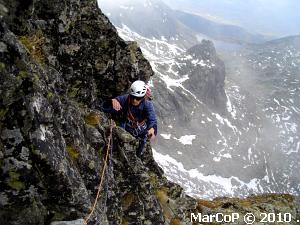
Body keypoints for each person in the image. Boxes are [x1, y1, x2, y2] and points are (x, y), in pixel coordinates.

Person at [101, 80, 157, 157]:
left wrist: (152, 129)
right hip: (125, 128)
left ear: (143, 97)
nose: (134, 100)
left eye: (138, 98)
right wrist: (111, 101)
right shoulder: (126, 99)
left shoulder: (147, 105)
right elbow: (105, 107)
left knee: (138, 154)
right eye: (133, 97)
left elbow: (152, 120)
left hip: (140, 133)